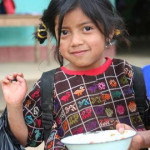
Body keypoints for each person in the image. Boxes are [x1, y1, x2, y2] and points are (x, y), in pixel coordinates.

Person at [1, 0, 150, 150]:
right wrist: (14, 105)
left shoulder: (130, 75)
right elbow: (26, 139)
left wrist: (141, 140)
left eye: (87, 28)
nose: (75, 41)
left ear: (109, 31)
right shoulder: (49, 84)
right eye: (65, 32)